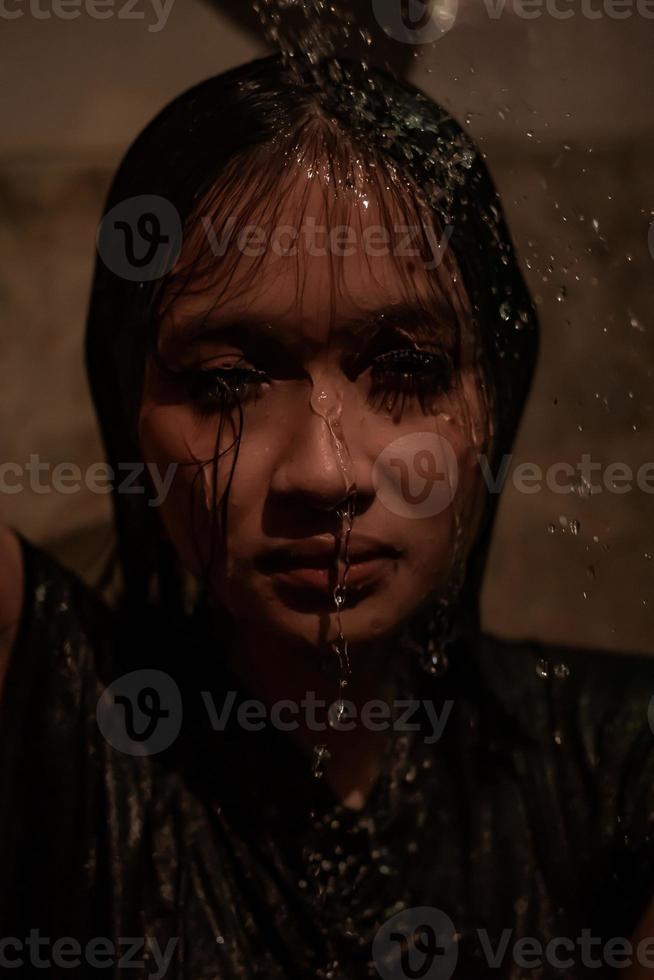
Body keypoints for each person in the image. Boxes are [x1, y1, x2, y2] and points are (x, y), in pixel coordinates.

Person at [0, 54, 653, 979]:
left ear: (496, 395)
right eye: (226, 382)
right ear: (128, 408)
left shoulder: (616, 760)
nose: (322, 471)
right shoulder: (60, 734)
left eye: (410, 370)